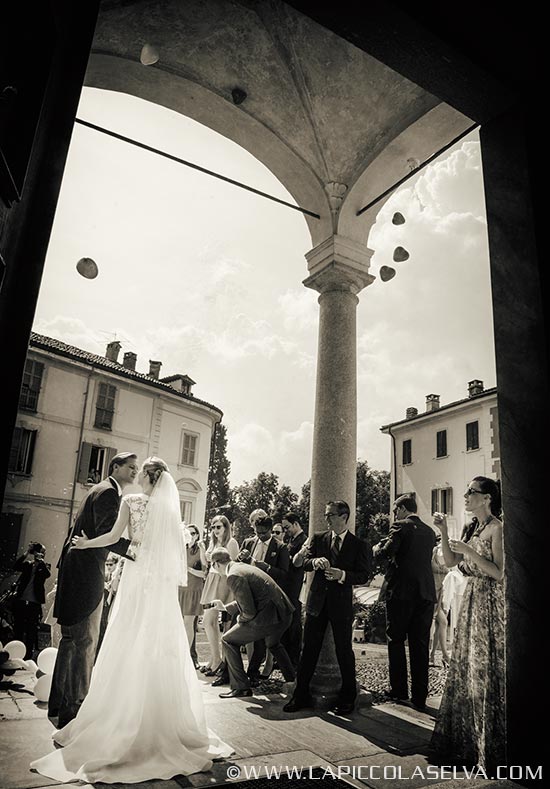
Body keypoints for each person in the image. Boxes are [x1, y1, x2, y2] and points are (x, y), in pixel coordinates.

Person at [31, 457, 232, 783]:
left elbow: (111, 537)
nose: (136, 476)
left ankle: (116, 715)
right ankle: (161, 722)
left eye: (141, 473)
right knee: (157, 643)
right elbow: (172, 556)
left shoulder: (132, 502)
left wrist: (85, 543)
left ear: (146, 479)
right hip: (160, 588)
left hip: (137, 581)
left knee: (127, 637)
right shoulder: (170, 512)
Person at [48, 452, 139, 726]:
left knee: (70, 641)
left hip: (76, 571)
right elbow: (107, 535)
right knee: (85, 641)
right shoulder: (109, 493)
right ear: (115, 467)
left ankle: (59, 706)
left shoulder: (98, 490)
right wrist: (139, 551)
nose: (135, 472)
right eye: (130, 467)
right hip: (85, 576)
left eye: (137, 468)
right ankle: (75, 709)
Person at [431, 477, 505, 772]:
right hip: (471, 600)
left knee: (485, 672)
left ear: (486, 498)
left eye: (471, 492)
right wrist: (443, 531)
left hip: (489, 603)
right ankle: (468, 743)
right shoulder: (473, 528)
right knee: (467, 670)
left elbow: (499, 573)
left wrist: (471, 551)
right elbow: (451, 562)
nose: (465, 496)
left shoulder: (497, 529)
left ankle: (491, 745)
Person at [283, 500, 370, 715]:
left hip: (341, 605)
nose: (326, 519)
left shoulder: (359, 545)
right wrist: (314, 563)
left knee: (344, 652)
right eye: (326, 515)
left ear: (344, 516)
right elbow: (304, 563)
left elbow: (364, 575)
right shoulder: (319, 538)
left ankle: (348, 699)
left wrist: (343, 575)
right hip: (316, 603)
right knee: (308, 651)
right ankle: (300, 695)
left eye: (330, 515)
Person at [373, 494, 437, 711]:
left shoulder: (400, 527)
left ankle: (399, 690)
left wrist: (376, 549)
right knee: (420, 645)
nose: (393, 515)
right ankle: (420, 696)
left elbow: (386, 552)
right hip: (425, 593)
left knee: (396, 640)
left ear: (401, 509)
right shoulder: (429, 532)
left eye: (394, 511)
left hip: (401, 593)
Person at [209, 546, 295, 698]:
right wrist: (226, 608)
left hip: (269, 618)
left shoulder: (233, 576)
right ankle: (293, 680)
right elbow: (252, 598)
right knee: (273, 644)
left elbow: (248, 612)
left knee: (228, 640)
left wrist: (239, 620)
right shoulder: (241, 567)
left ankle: (241, 687)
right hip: (284, 613)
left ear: (216, 564)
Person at [240, 513, 289, 684]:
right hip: (248, 595)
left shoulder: (281, 548)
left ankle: (253, 673)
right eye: (257, 532)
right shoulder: (248, 543)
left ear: (270, 530)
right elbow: (239, 566)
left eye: (263, 533)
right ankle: (241, 672)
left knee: (265, 640)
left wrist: (267, 567)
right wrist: (242, 558)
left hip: (267, 598)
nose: (259, 536)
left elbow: (284, 574)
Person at [199, 515, 239, 675]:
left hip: (223, 581)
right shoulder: (213, 543)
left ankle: (218, 660)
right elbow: (205, 564)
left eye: (219, 527)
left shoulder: (232, 542)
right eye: (213, 527)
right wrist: (203, 550)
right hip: (211, 578)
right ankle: (214, 658)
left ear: (226, 527)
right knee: (211, 622)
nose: (215, 530)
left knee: (209, 621)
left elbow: (233, 565)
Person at [12, 542, 51, 659]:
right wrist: (26, 553)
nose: (42, 554)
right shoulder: (28, 565)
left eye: (43, 553)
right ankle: (16, 653)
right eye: (40, 552)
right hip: (22, 601)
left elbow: (47, 574)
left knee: (31, 631)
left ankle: (28, 656)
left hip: (34, 604)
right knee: (18, 628)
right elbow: (16, 566)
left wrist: (41, 561)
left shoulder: (45, 566)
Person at [281, 512, 308, 669]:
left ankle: (294, 658)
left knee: (294, 622)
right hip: (289, 585)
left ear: (296, 524)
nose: (285, 531)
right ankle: (287, 657)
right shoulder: (291, 539)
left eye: (287, 527)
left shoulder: (303, 540)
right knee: (287, 621)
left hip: (295, 585)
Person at [178, 524, 207, 669]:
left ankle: (187, 656)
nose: (191, 535)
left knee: (188, 624)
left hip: (194, 590)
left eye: (193, 533)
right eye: (188, 533)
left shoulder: (200, 549)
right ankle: (181, 654)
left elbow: (204, 572)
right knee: (180, 624)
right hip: (180, 590)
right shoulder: (181, 549)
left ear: (197, 535)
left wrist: (188, 569)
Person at [429, 537, 450, 668]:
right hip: (432, 594)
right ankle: (445, 656)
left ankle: (431, 656)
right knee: (443, 622)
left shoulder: (448, 555)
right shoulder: (433, 552)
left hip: (443, 594)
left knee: (439, 626)